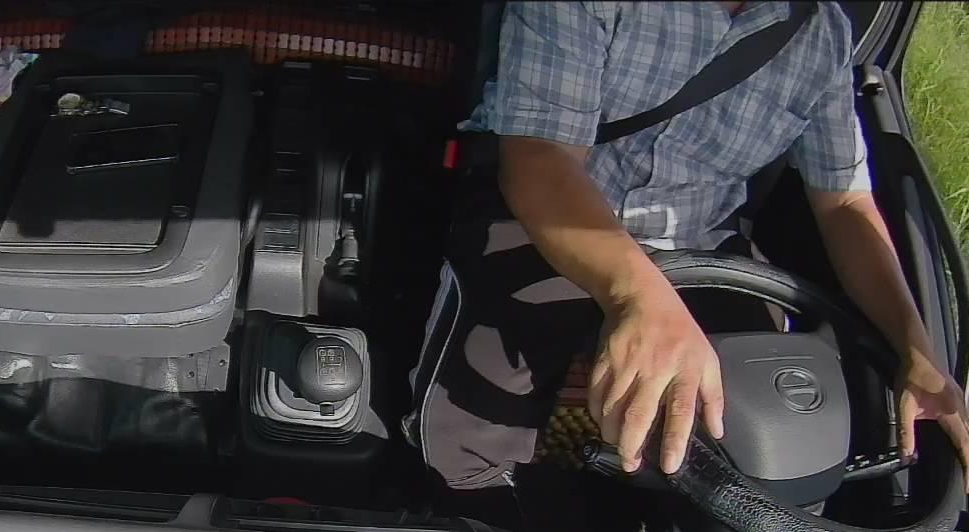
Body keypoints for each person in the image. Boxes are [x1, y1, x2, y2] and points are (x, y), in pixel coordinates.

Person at [409, 1, 969, 491]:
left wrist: (918, 351)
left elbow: (844, 204)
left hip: (702, 245)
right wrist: (641, 299)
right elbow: (540, 159)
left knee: (773, 422)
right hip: (553, 212)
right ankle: (468, 513)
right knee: (476, 412)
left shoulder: (821, 34)